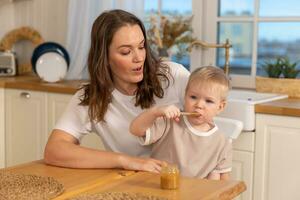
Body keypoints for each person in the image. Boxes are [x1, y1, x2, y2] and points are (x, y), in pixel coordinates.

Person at [44, 9, 190, 173]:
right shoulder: (92, 96)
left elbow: (208, 125)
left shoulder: (174, 76)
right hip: (132, 184)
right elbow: (54, 150)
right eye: (126, 51)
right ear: (104, 57)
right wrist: (125, 161)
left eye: (141, 47)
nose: (139, 58)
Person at [130, 66, 232, 180]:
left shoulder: (222, 142)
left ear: (220, 107)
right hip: (159, 187)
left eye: (208, 101)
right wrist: (155, 112)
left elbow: (220, 180)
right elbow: (135, 130)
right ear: (185, 96)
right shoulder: (170, 122)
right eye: (193, 97)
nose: (199, 105)